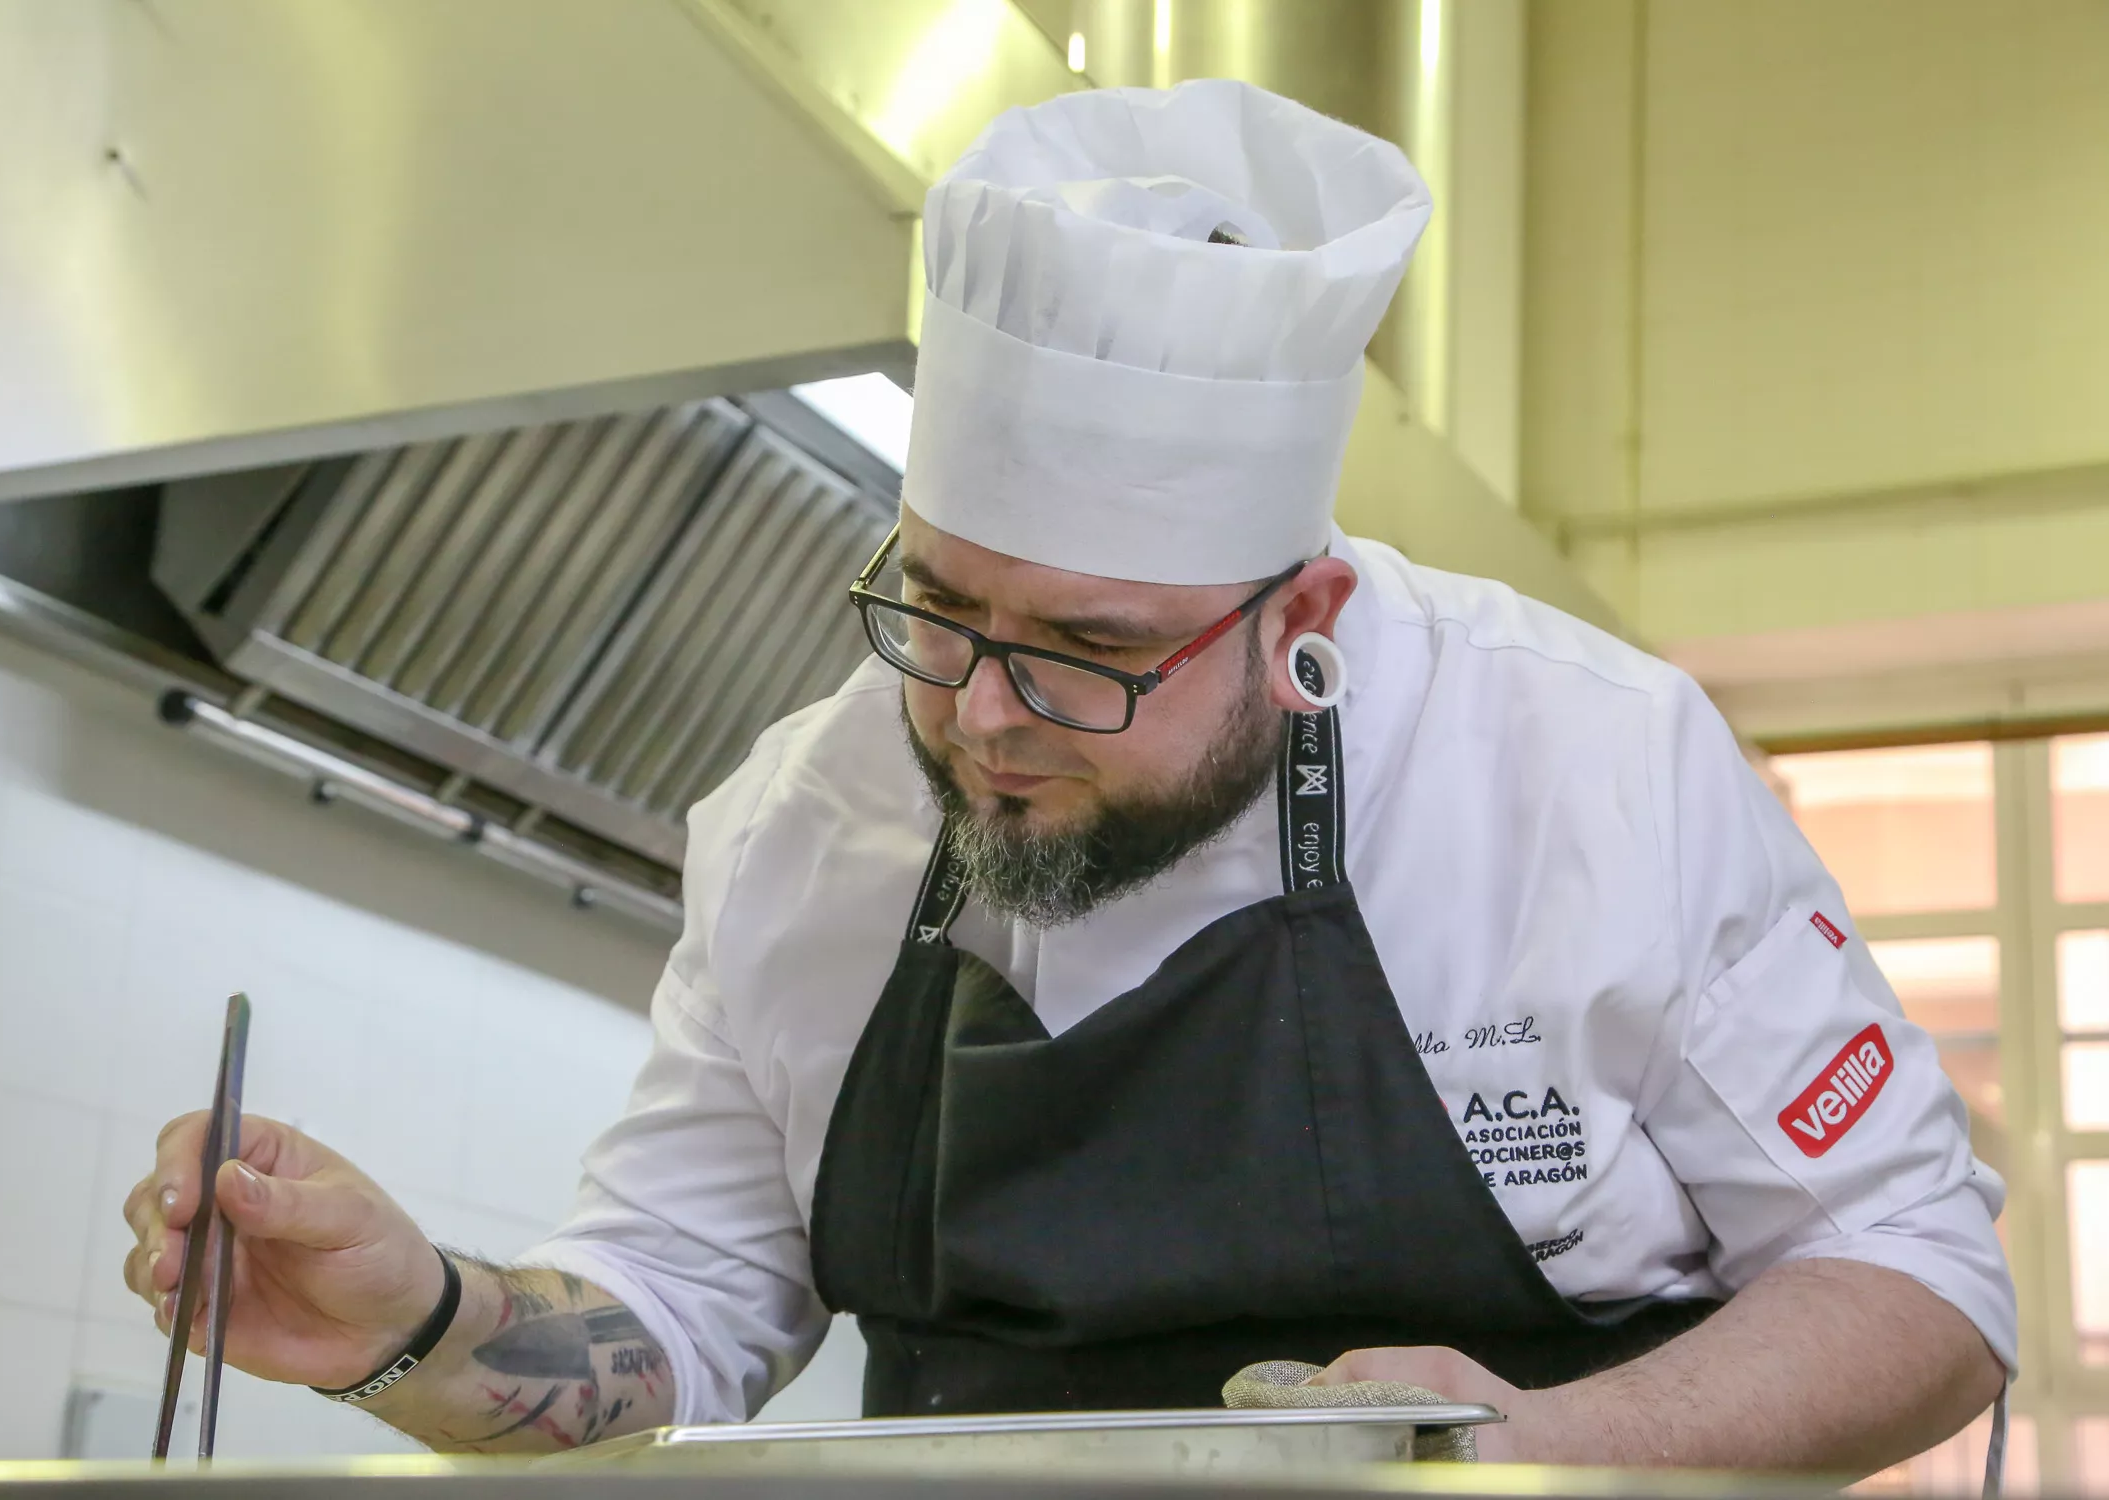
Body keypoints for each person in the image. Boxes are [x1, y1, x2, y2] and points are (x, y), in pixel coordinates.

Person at [124, 80, 2011, 1468]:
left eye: (1093, 654)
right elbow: (679, 1318)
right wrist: (419, 1325)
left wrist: (1520, 1460)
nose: (982, 716)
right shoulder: (812, 820)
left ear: (1304, 616)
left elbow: (1918, 1286)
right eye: (935, 611)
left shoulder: (1583, 767)